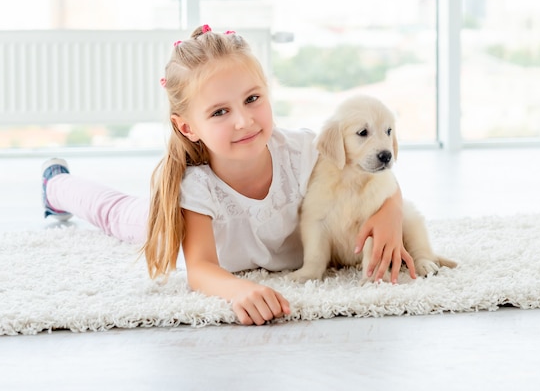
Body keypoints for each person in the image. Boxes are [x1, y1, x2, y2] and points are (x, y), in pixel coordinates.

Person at [42, 25, 417, 326]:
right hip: (165, 220)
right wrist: (238, 290)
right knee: (117, 214)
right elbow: (201, 269)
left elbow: (377, 175)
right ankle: (56, 185)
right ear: (188, 127)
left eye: (252, 99)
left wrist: (390, 212)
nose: (244, 121)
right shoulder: (195, 188)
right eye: (219, 112)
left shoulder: (304, 151)